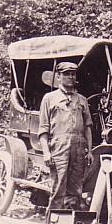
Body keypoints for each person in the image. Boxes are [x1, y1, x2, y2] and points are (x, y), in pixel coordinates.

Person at [38, 62, 94, 211]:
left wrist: (89, 150)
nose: (70, 77)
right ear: (58, 76)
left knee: (76, 191)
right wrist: (46, 152)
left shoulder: (82, 100)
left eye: (73, 74)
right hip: (59, 148)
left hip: (79, 149)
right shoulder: (49, 98)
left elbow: (88, 127)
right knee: (58, 188)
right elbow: (43, 129)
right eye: (66, 74)